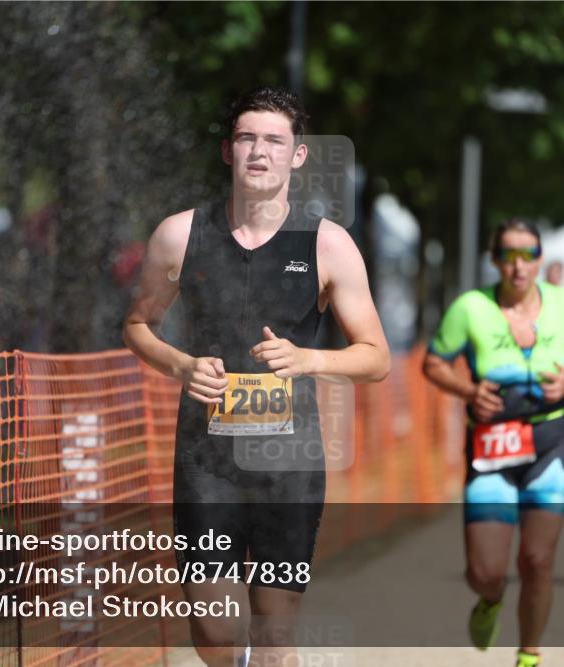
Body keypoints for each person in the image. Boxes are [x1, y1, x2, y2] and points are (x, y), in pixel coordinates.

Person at [123, 86, 390, 667]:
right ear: (227, 151)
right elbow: (139, 325)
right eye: (247, 138)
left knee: (274, 637)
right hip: (206, 461)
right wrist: (182, 365)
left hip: (288, 465)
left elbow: (376, 357)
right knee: (216, 636)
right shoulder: (179, 234)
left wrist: (311, 360)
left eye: (275, 140)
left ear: (297, 156)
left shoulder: (328, 245)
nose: (259, 152)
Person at [422, 219, 564, 667]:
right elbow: (433, 363)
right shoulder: (470, 307)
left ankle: (528, 655)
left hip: (550, 443)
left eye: (528, 255)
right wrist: (468, 391)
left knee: (537, 560)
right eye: (509, 255)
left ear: (540, 259)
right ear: (495, 260)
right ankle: (490, 601)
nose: (519, 266)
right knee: (485, 572)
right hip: (491, 449)